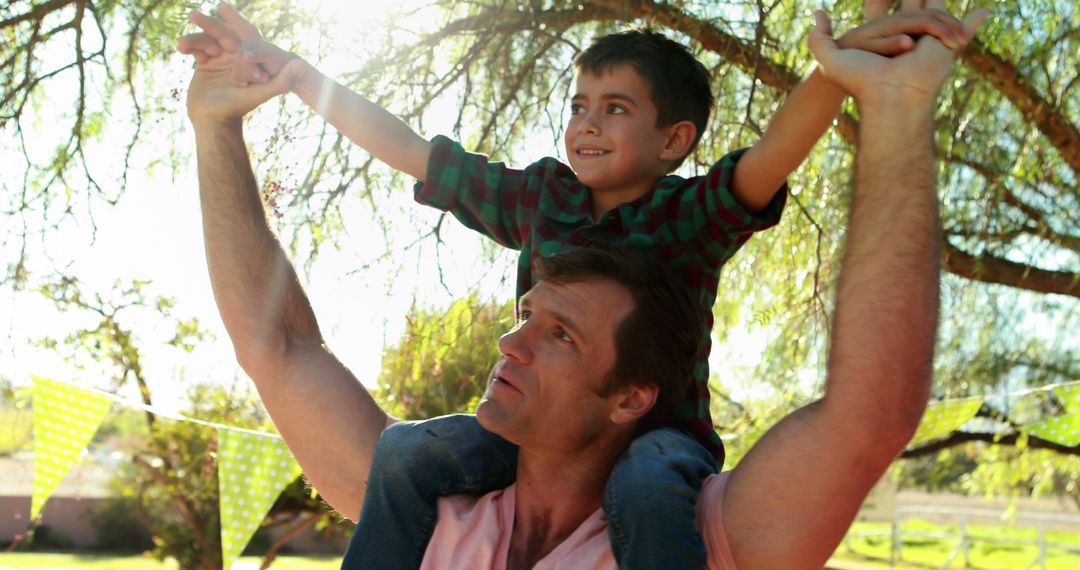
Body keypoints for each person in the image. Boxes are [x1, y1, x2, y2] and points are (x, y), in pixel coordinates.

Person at [181, 0, 986, 565]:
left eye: (615, 108)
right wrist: (298, 74)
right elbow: (412, 153)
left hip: (661, 449)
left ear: (675, 140)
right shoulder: (541, 199)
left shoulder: (688, 217)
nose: (587, 124)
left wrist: (848, 75)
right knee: (405, 449)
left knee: (641, 487)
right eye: (579, 105)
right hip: (525, 443)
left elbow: (774, 153)